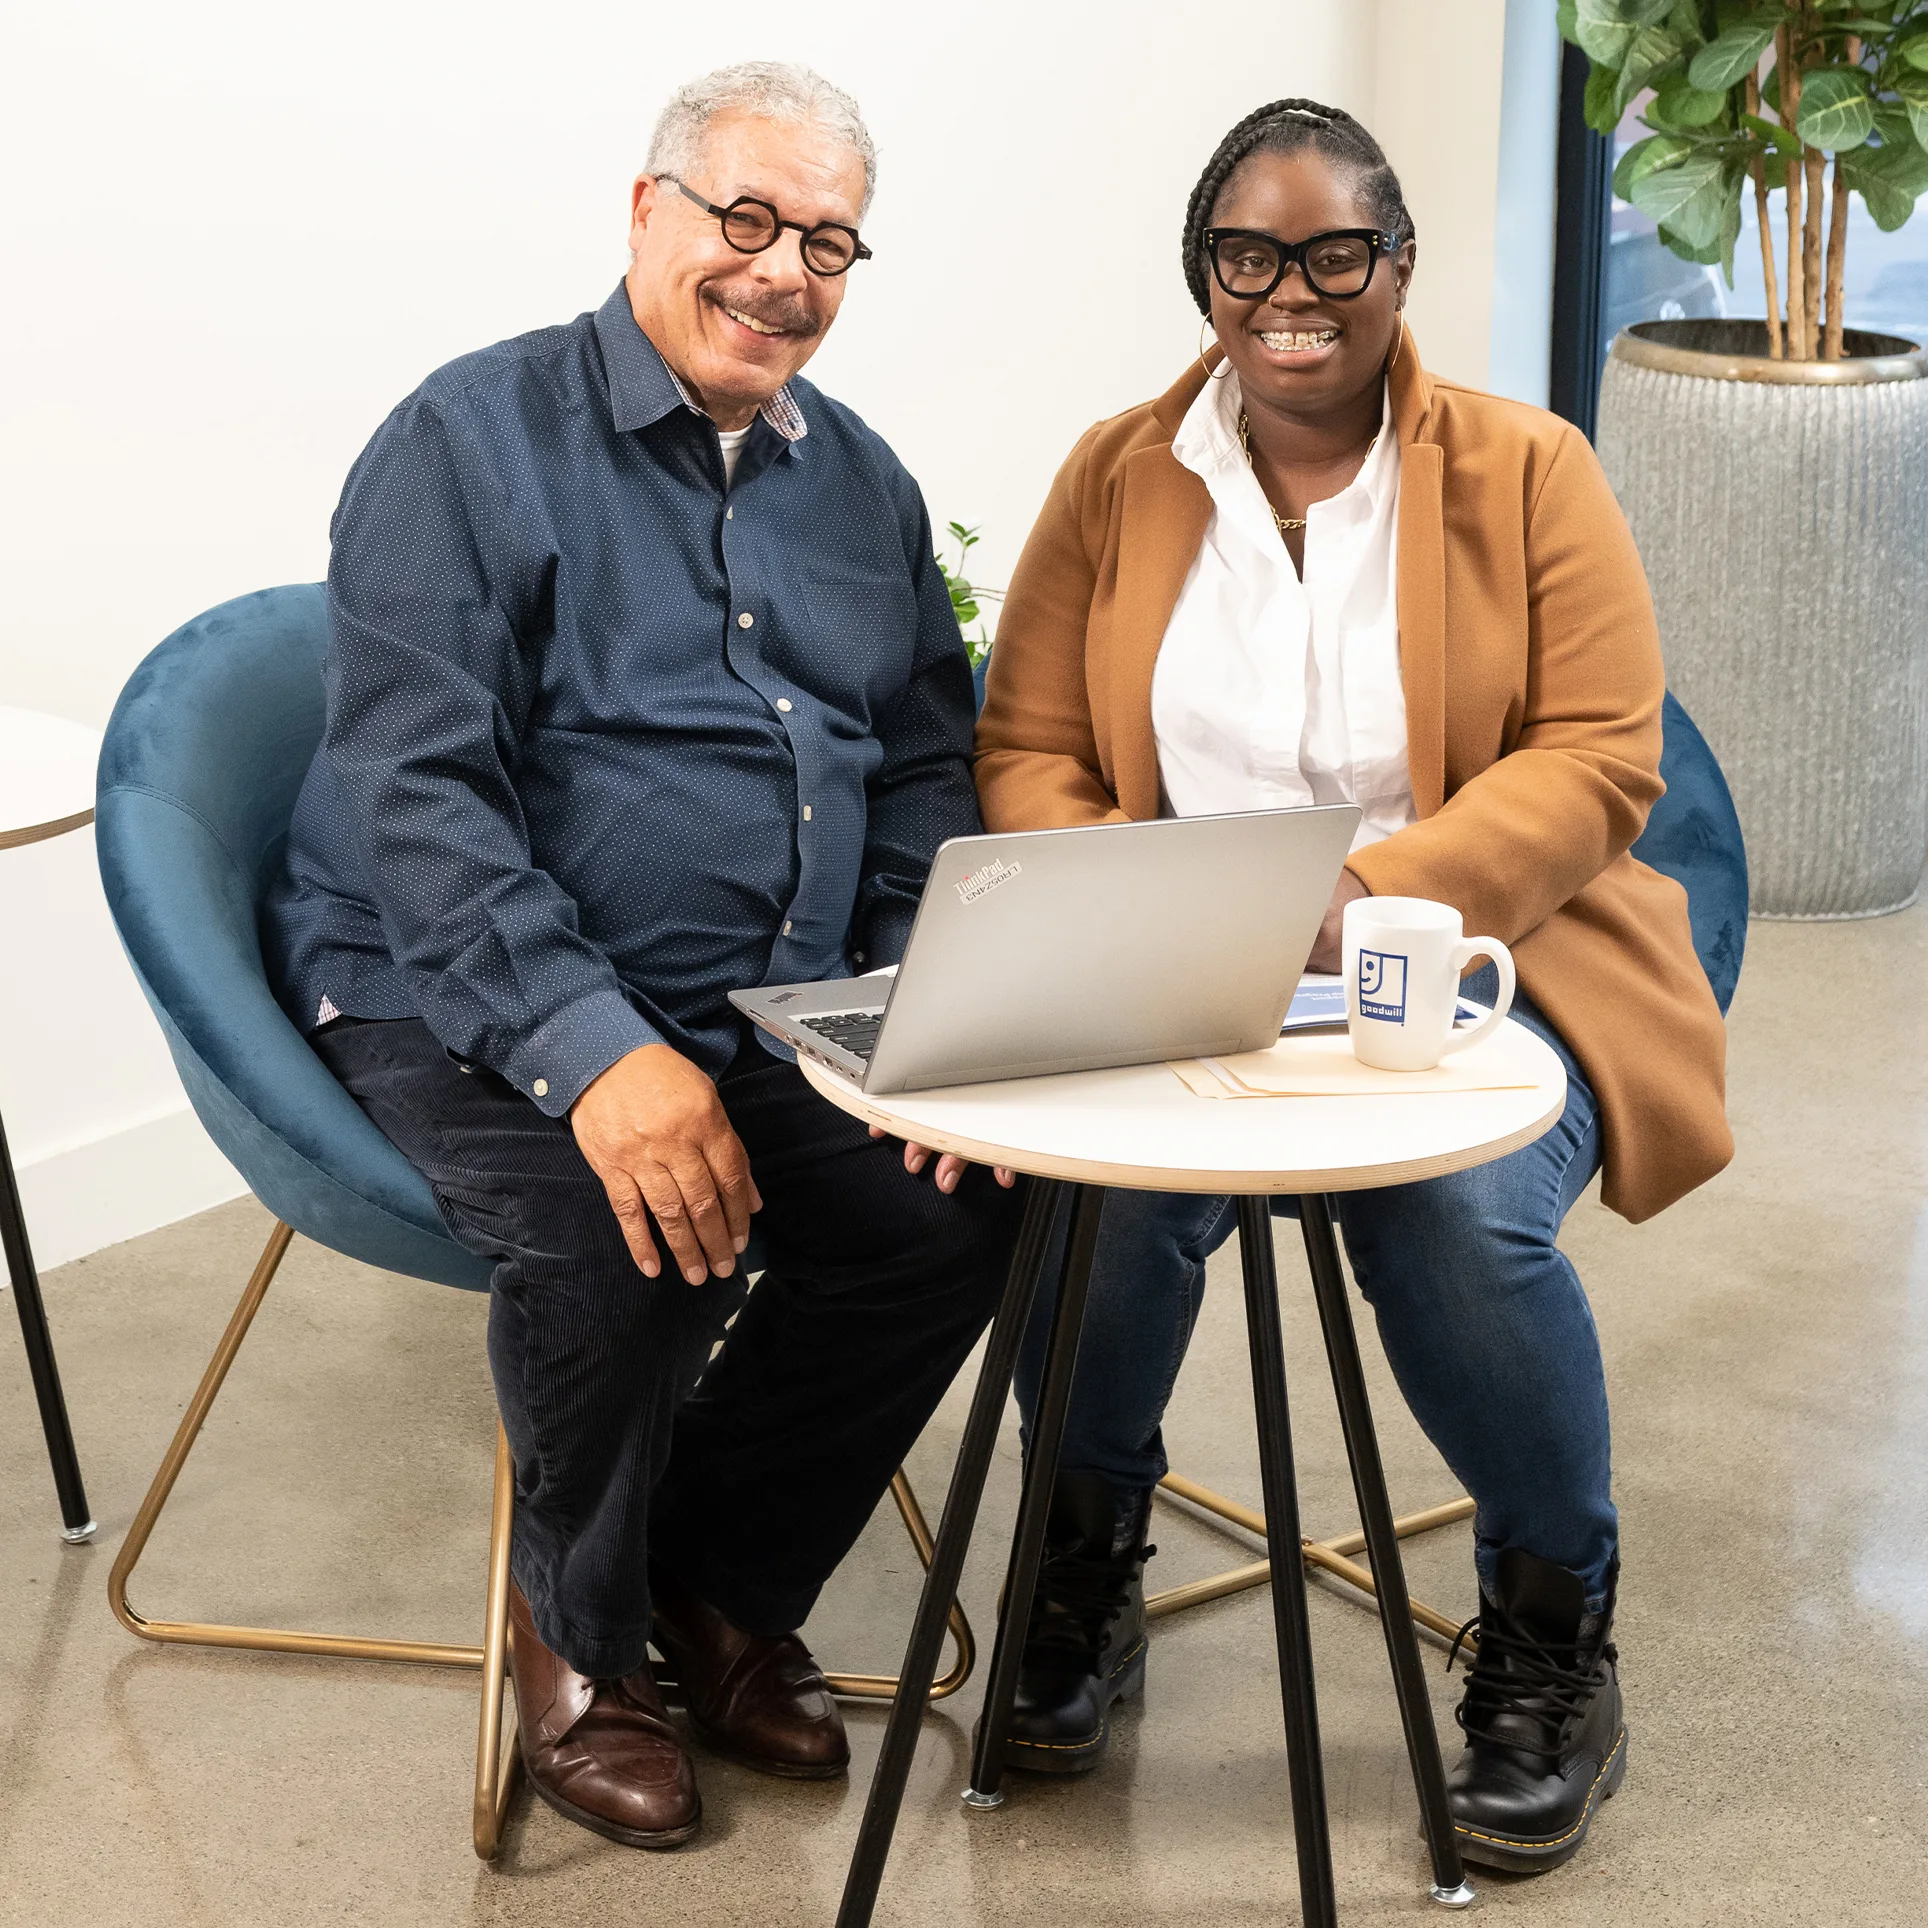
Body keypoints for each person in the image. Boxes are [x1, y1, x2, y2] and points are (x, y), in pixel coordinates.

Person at [261, 62, 1022, 1852]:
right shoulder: (467, 440)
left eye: (827, 241)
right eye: (745, 220)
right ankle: (579, 1639)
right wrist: (595, 1049)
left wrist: (917, 992)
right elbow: (418, 796)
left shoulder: (865, 487)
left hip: (774, 992)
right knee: (635, 1231)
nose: (782, 273)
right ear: (644, 215)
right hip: (455, 978)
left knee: (961, 1207)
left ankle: (711, 1577)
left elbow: (924, 761)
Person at [973, 97, 1731, 1875]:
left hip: (1479, 958)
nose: (1291, 293)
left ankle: (1553, 1640)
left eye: (1335, 254)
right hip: (1180, 974)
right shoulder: (1115, 473)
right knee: (1096, 1210)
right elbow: (1024, 746)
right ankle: (1080, 1578)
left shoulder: (1529, 466)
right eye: (1250, 256)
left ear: (1397, 269)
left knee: (1458, 1218)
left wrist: (1362, 901)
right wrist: (1147, 907)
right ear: (1205, 275)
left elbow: (1604, 755)